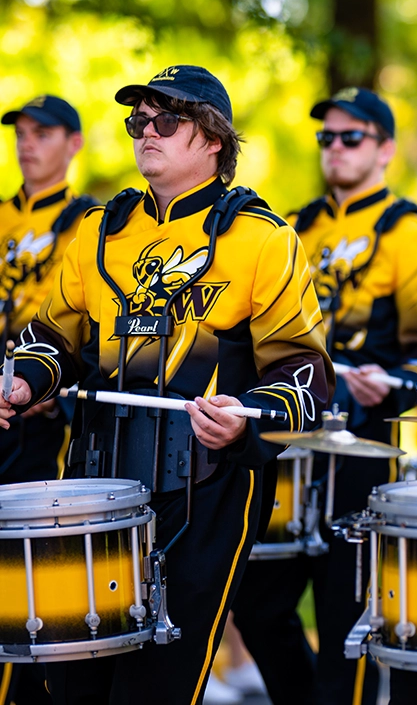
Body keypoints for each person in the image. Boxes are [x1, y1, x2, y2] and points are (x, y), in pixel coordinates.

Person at [0, 64, 332, 705]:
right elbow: (54, 339)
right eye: (138, 121)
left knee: (155, 685)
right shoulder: (99, 232)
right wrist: (23, 383)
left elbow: (304, 375)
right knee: (71, 681)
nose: (146, 132)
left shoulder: (263, 240)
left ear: (212, 139)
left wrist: (246, 419)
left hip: (204, 490)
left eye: (167, 120)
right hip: (93, 482)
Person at [230, 87, 417, 705]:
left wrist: (394, 381)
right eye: (326, 137)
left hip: (365, 443)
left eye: (350, 136)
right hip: (290, 438)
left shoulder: (411, 230)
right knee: (257, 602)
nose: (335, 147)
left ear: (386, 149)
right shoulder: (292, 226)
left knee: (344, 613)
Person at [0, 95, 96, 705]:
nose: (27, 143)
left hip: (48, 415)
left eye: (44, 132)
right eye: (21, 133)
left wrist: (43, 386)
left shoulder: (92, 223)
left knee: (29, 582)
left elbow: (83, 327)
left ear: (75, 143)